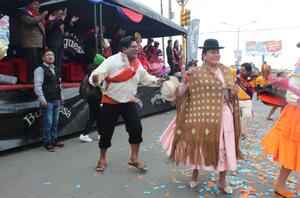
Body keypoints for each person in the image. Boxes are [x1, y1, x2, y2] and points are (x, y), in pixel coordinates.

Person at [160, 39, 241, 194]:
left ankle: (223, 179)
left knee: (224, 147)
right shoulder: (195, 72)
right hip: (202, 115)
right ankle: (195, 174)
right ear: (204, 55)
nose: (216, 55)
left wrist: (233, 93)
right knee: (198, 145)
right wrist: (185, 80)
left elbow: (229, 96)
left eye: (217, 52)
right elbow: (181, 93)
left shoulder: (226, 71)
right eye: (212, 52)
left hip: (224, 115)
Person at [89, 36, 164, 173]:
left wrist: (157, 81)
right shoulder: (111, 61)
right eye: (134, 47)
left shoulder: (137, 63)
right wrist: (95, 79)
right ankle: (102, 158)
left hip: (129, 102)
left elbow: (146, 78)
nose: (137, 49)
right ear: (124, 49)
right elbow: (97, 75)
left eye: (137, 46)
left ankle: (134, 158)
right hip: (110, 102)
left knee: (136, 128)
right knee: (106, 133)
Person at [260, 59, 300, 198]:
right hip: (297, 115)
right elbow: (292, 96)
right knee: (292, 151)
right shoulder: (299, 68)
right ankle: (280, 183)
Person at [34, 49, 64, 151]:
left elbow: (59, 85)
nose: (50, 56)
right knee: (48, 122)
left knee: (55, 122)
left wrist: (62, 96)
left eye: (52, 55)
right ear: (43, 58)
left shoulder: (56, 69)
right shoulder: (40, 69)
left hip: (56, 99)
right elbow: (37, 86)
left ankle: (54, 140)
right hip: (47, 100)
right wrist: (42, 99)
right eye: (47, 55)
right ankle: (47, 142)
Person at [20, 0, 48, 83]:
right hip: (30, 42)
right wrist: (43, 15)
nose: (37, 6)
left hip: (40, 43)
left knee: (39, 63)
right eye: (35, 4)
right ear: (29, 4)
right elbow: (30, 22)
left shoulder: (38, 15)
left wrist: (49, 20)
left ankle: (38, 79)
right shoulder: (24, 13)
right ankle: (31, 79)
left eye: (38, 4)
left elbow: (45, 26)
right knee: (32, 62)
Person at [79, 54, 105, 142]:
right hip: (96, 96)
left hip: (91, 96)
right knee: (98, 116)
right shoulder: (97, 71)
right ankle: (85, 134)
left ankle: (97, 134)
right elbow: (99, 84)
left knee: (95, 115)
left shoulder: (91, 70)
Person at [46, 8, 79, 77]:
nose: (61, 15)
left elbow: (65, 28)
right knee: (54, 61)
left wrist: (71, 22)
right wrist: (63, 17)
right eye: (60, 13)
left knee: (59, 62)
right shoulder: (51, 20)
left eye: (62, 13)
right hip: (53, 44)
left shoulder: (60, 21)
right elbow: (53, 26)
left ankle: (58, 76)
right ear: (55, 12)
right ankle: (53, 76)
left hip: (60, 44)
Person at [231, 63, 255, 139]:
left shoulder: (253, 78)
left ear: (249, 72)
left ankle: (241, 132)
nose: (241, 71)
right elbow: (225, 68)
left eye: (244, 70)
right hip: (236, 100)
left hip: (247, 101)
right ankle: (235, 132)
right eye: (241, 69)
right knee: (234, 118)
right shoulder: (236, 73)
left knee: (247, 116)